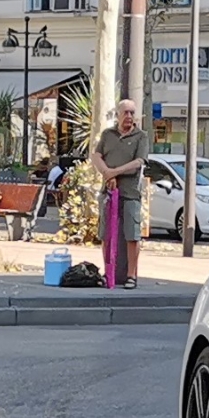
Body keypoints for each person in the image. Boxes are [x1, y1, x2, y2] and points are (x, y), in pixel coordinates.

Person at [90, 97, 148, 288]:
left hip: (130, 192)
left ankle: (132, 275)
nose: (129, 117)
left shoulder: (141, 137)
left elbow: (139, 162)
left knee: (132, 234)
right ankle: (109, 273)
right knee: (106, 233)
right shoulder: (108, 135)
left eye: (132, 113)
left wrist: (115, 172)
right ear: (118, 115)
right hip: (108, 191)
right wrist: (107, 174)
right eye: (126, 113)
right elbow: (97, 156)